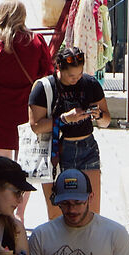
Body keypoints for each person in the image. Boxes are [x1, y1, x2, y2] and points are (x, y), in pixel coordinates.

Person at [27, 46, 110, 219]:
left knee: (92, 213)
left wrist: (98, 115)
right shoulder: (44, 87)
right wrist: (64, 119)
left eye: (79, 74)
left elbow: (106, 120)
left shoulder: (90, 84)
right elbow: (35, 125)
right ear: (59, 68)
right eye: (71, 76)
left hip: (87, 148)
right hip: (57, 151)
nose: (76, 79)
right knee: (58, 214)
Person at [0, 0, 53, 164]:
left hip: (0, 108)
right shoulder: (36, 41)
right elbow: (47, 73)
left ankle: (5, 189)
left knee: (2, 160)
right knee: (27, 159)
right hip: (30, 106)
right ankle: (24, 191)